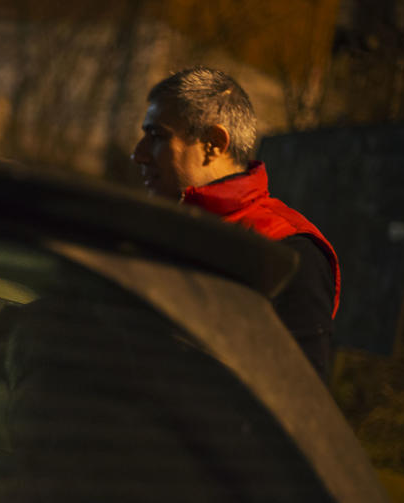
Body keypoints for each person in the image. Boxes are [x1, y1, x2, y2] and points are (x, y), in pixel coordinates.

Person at [131, 66, 340, 382]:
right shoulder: (164, 227)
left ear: (214, 143)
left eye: (157, 136)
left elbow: (298, 400)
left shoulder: (288, 250)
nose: (139, 154)